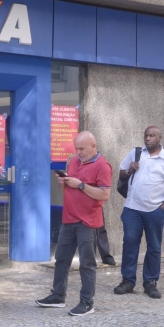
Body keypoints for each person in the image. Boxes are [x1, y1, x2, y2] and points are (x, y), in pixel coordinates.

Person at [36, 131, 112, 316]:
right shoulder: (73, 161)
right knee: (61, 259)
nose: (78, 152)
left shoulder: (103, 165)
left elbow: (105, 194)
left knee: (87, 263)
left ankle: (87, 302)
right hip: (68, 218)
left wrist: (80, 184)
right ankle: (58, 296)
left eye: (82, 148)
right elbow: (67, 192)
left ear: (93, 145)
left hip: (87, 221)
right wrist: (63, 182)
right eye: (76, 148)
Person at [114, 126, 164, 299]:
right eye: (146, 135)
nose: (148, 138)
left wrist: (162, 208)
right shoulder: (136, 153)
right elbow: (122, 173)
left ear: (160, 137)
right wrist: (130, 169)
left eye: (152, 136)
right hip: (132, 209)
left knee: (154, 247)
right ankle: (128, 281)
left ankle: (150, 282)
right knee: (130, 243)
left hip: (155, 211)